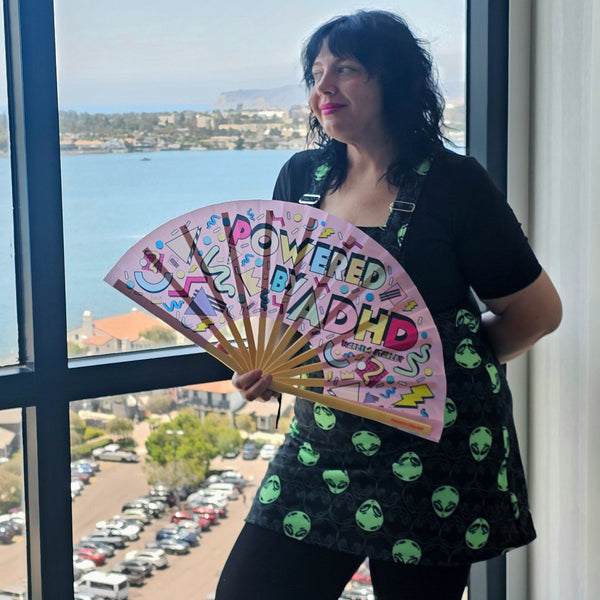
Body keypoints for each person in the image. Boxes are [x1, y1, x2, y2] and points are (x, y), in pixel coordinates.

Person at [216, 10, 561, 600]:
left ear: (394, 80)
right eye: (316, 72)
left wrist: (437, 369)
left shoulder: (456, 185)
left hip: (435, 453)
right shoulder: (302, 177)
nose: (323, 88)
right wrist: (275, 368)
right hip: (322, 446)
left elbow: (537, 313)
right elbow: (294, 310)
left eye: (345, 69)